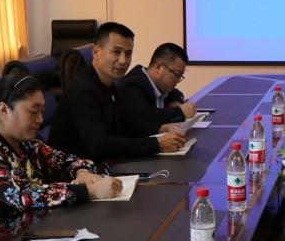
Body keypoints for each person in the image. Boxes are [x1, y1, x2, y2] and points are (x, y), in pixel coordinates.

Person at [0, 71, 123, 241]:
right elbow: (21, 195)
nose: (40, 119)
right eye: (33, 112)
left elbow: (64, 160)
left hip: (18, 230)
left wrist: (82, 172)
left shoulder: (25, 142)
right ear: (4, 110)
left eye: (42, 112)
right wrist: (88, 191)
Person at [49, 22, 186, 161]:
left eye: (128, 53)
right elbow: (101, 146)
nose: (123, 60)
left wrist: (160, 129)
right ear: (96, 52)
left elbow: (124, 125)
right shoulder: (83, 90)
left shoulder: (109, 84)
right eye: (116, 52)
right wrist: (157, 144)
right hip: (74, 170)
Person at [118, 42, 196, 136]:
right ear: (158, 67)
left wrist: (175, 101)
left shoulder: (157, 83)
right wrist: (180, 112)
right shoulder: (132, 86)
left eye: (180, 76)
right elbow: (143, 118)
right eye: (176, 74)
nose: (178, 80)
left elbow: (176, 93)